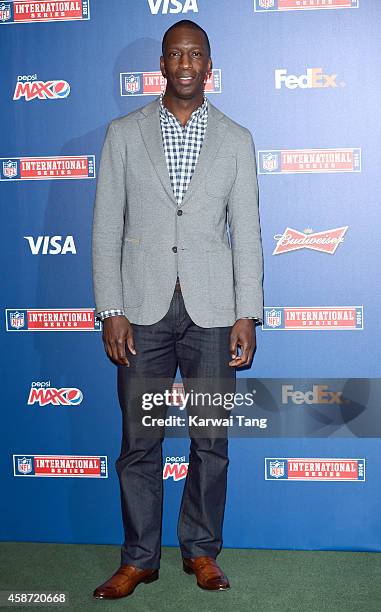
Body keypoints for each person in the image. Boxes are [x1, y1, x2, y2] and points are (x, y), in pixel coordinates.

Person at [91, 19, 264, 600]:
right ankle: (139, 558)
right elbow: (104, 229)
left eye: (196, 54)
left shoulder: (236, 139)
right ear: (162, 64)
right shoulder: (123, 133)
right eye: (175, 53)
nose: (185, 62)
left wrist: (248, 312)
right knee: (140, 440)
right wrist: (110, 307)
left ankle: (201, 552)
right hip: (140, 307)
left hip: (214, 310)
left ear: (209, 64)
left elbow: (248, 233)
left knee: (210, 440)